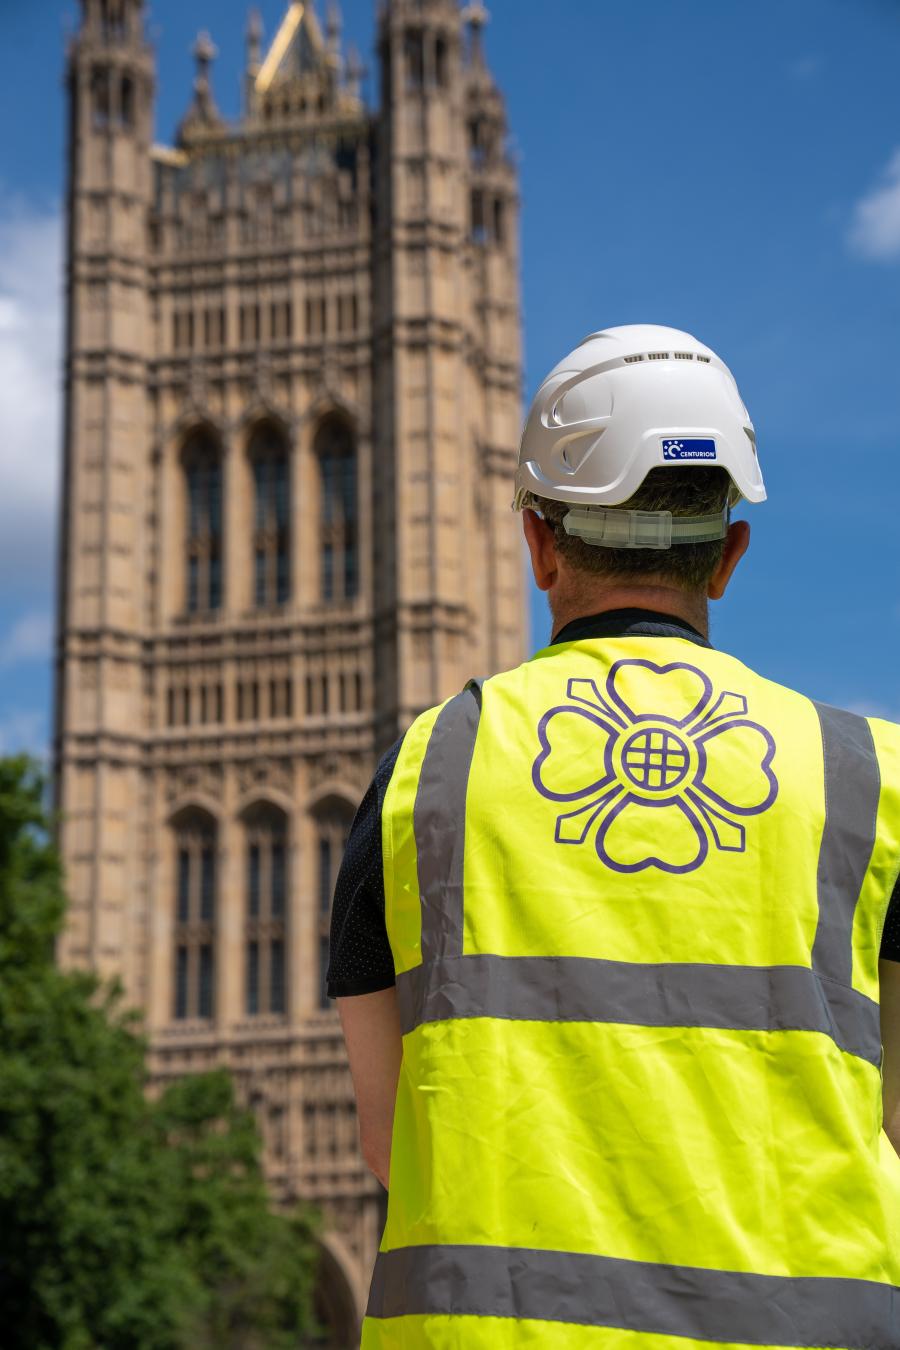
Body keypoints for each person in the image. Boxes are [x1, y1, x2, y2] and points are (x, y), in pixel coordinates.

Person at [329, 324, 900, 1348]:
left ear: (539, 545)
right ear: (728, 557)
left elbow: (391, 1139)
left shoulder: (424, 778)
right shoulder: (872, 780)